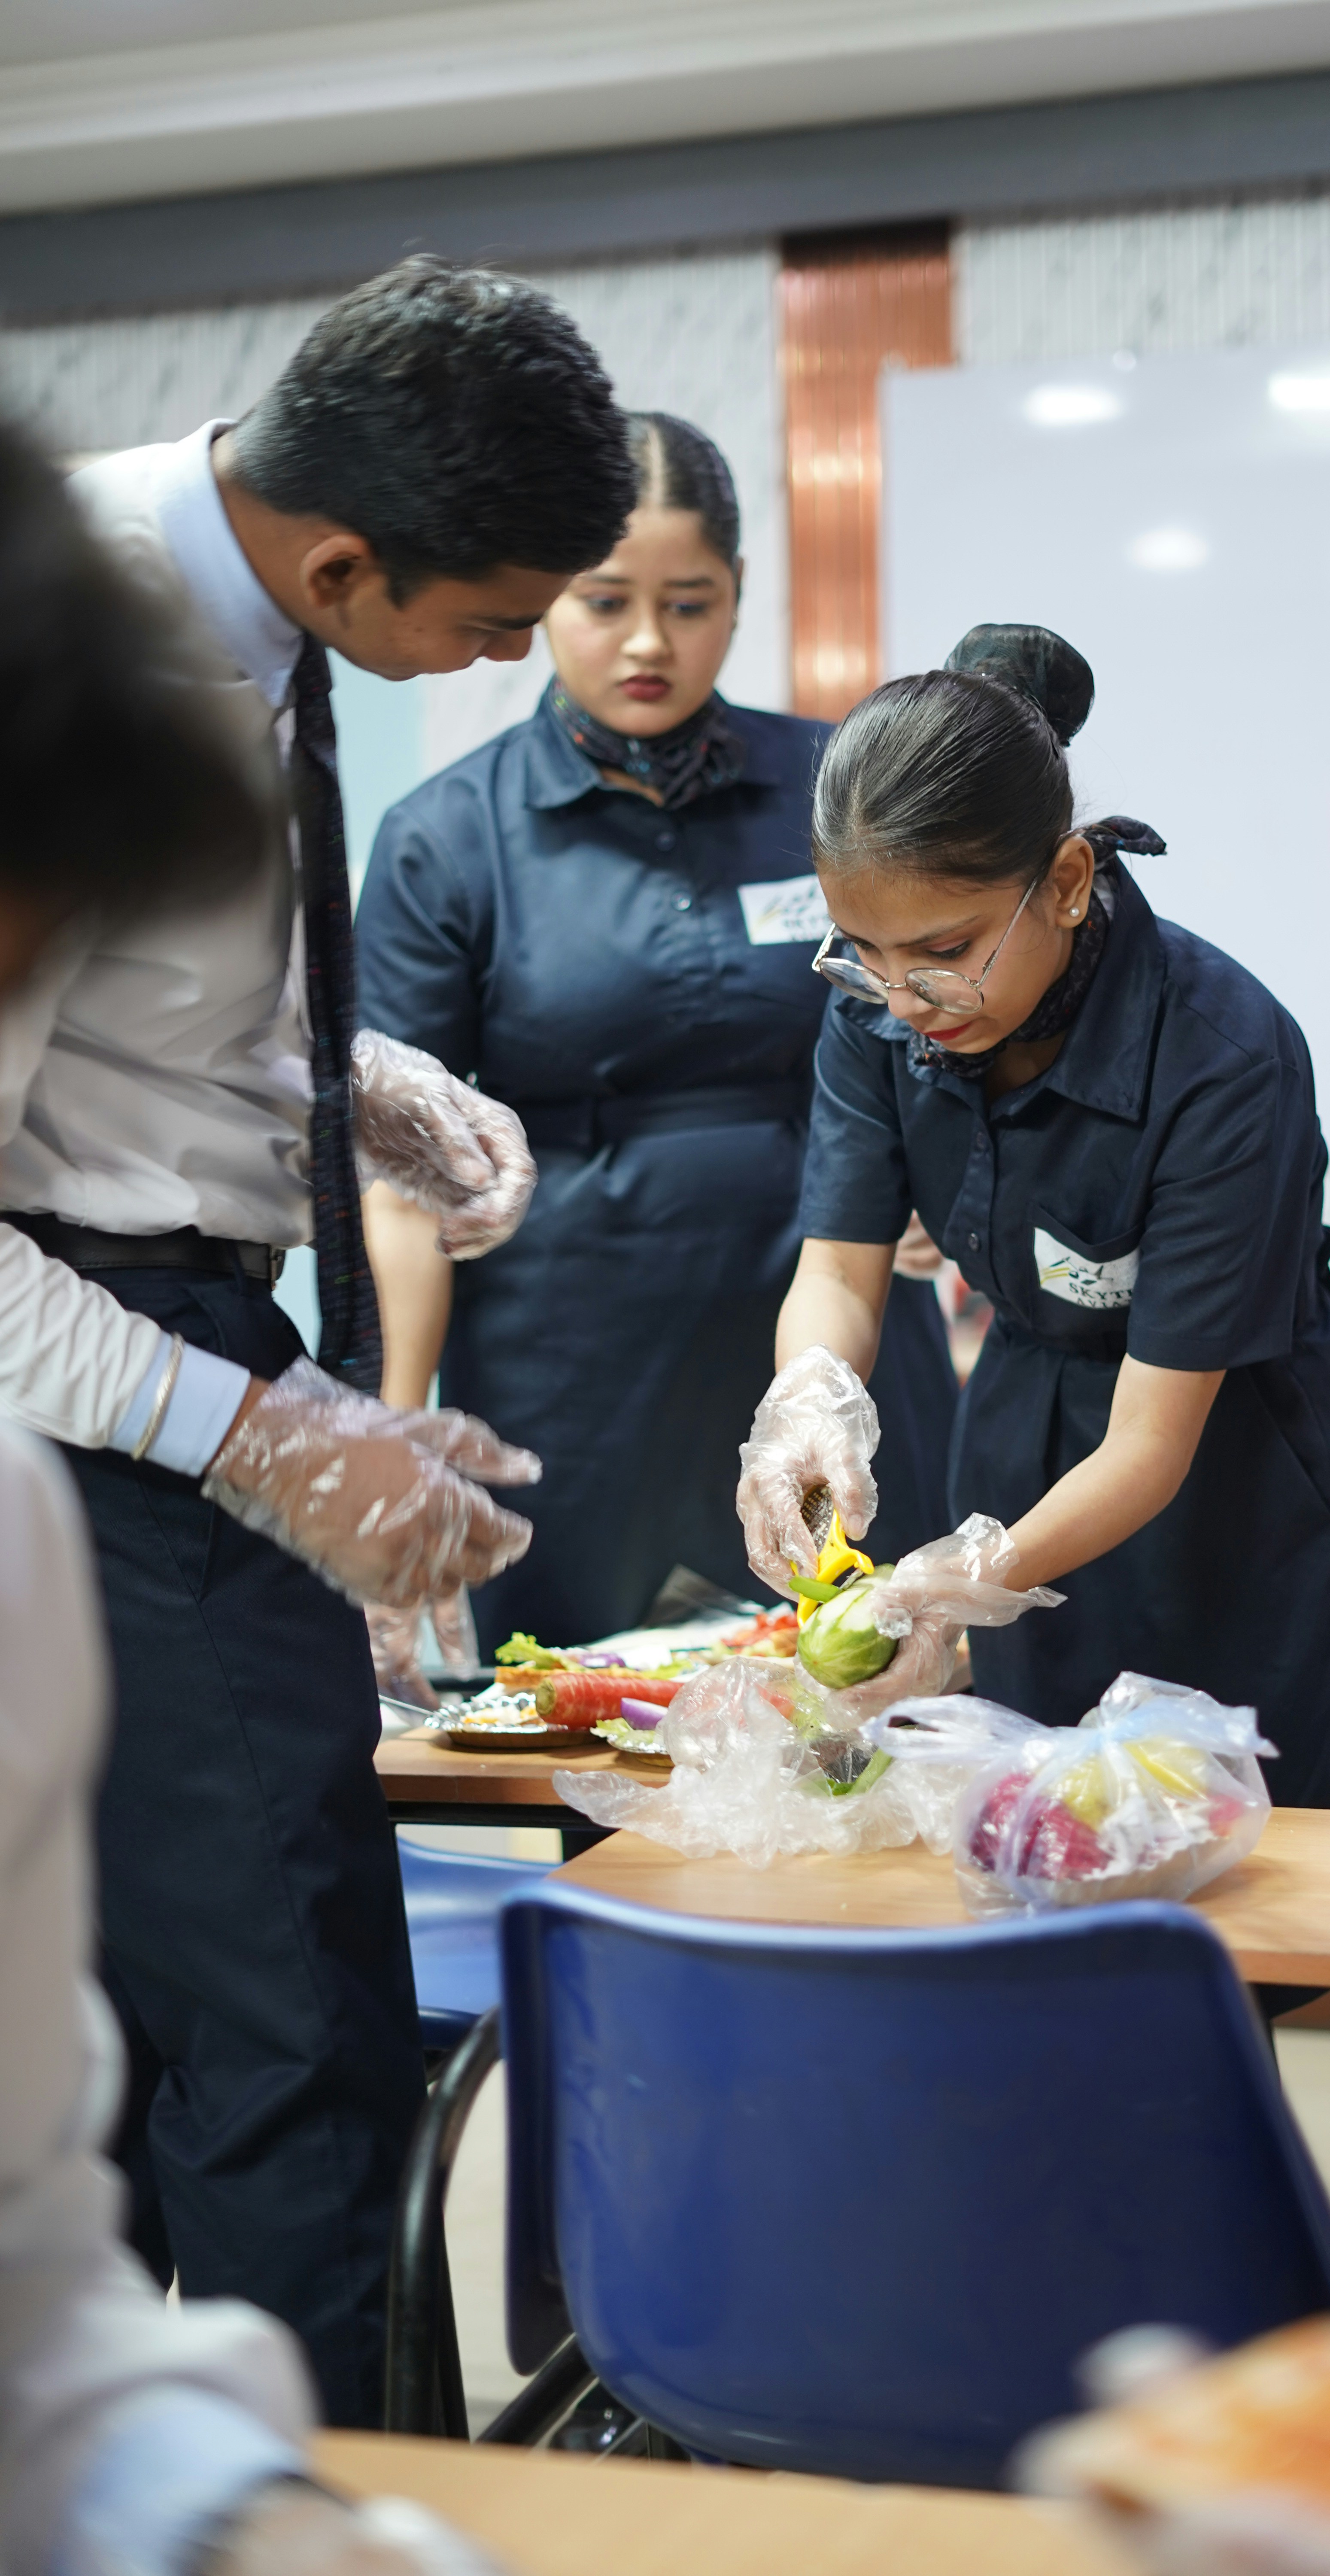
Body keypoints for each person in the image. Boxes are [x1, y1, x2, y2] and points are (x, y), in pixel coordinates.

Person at [0, 258, 638, 2426]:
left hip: (154, 1311)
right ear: (349, 557)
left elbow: (119, 1002)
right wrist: (254, 1434)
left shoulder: (237, 577)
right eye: (491, 624)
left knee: (109, 2047)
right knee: (300, 2054)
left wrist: (327, 1080)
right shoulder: (63, 651)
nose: (506, 662)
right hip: (83, 1381)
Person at [0, 409, 496, 2576]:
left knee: (234, 2042)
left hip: (157, 1362)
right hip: (136, 1369)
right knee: (287, 2037)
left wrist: (247, 2519)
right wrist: (260, 1430)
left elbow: (41, 2234)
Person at [735, 623, 1330, 1813]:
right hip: (1026, 1430)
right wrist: (805, 1403)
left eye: (944, 953)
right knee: (1032, 1838)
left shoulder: (1223, 1055)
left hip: (1235, 1476)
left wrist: (959, 1582)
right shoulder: (885, 1013)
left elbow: (1153, 1443)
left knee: (1241, 1870)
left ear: (1066, 883)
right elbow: (841, 1271)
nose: (904, 1001)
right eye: (868, 956)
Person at [355, 410, 956, 1691]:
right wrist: (403, 1430)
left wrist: (949, 1192)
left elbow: (947, 1027)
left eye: (689, 603)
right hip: (572, 1365)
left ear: (738, 599)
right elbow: (401, 1180)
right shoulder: (446, 839)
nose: (646, 641)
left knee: (870, 1699)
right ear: (541, 602)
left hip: (826, 1328)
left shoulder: (836, 785)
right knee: (602, 1722)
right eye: (605, 600)